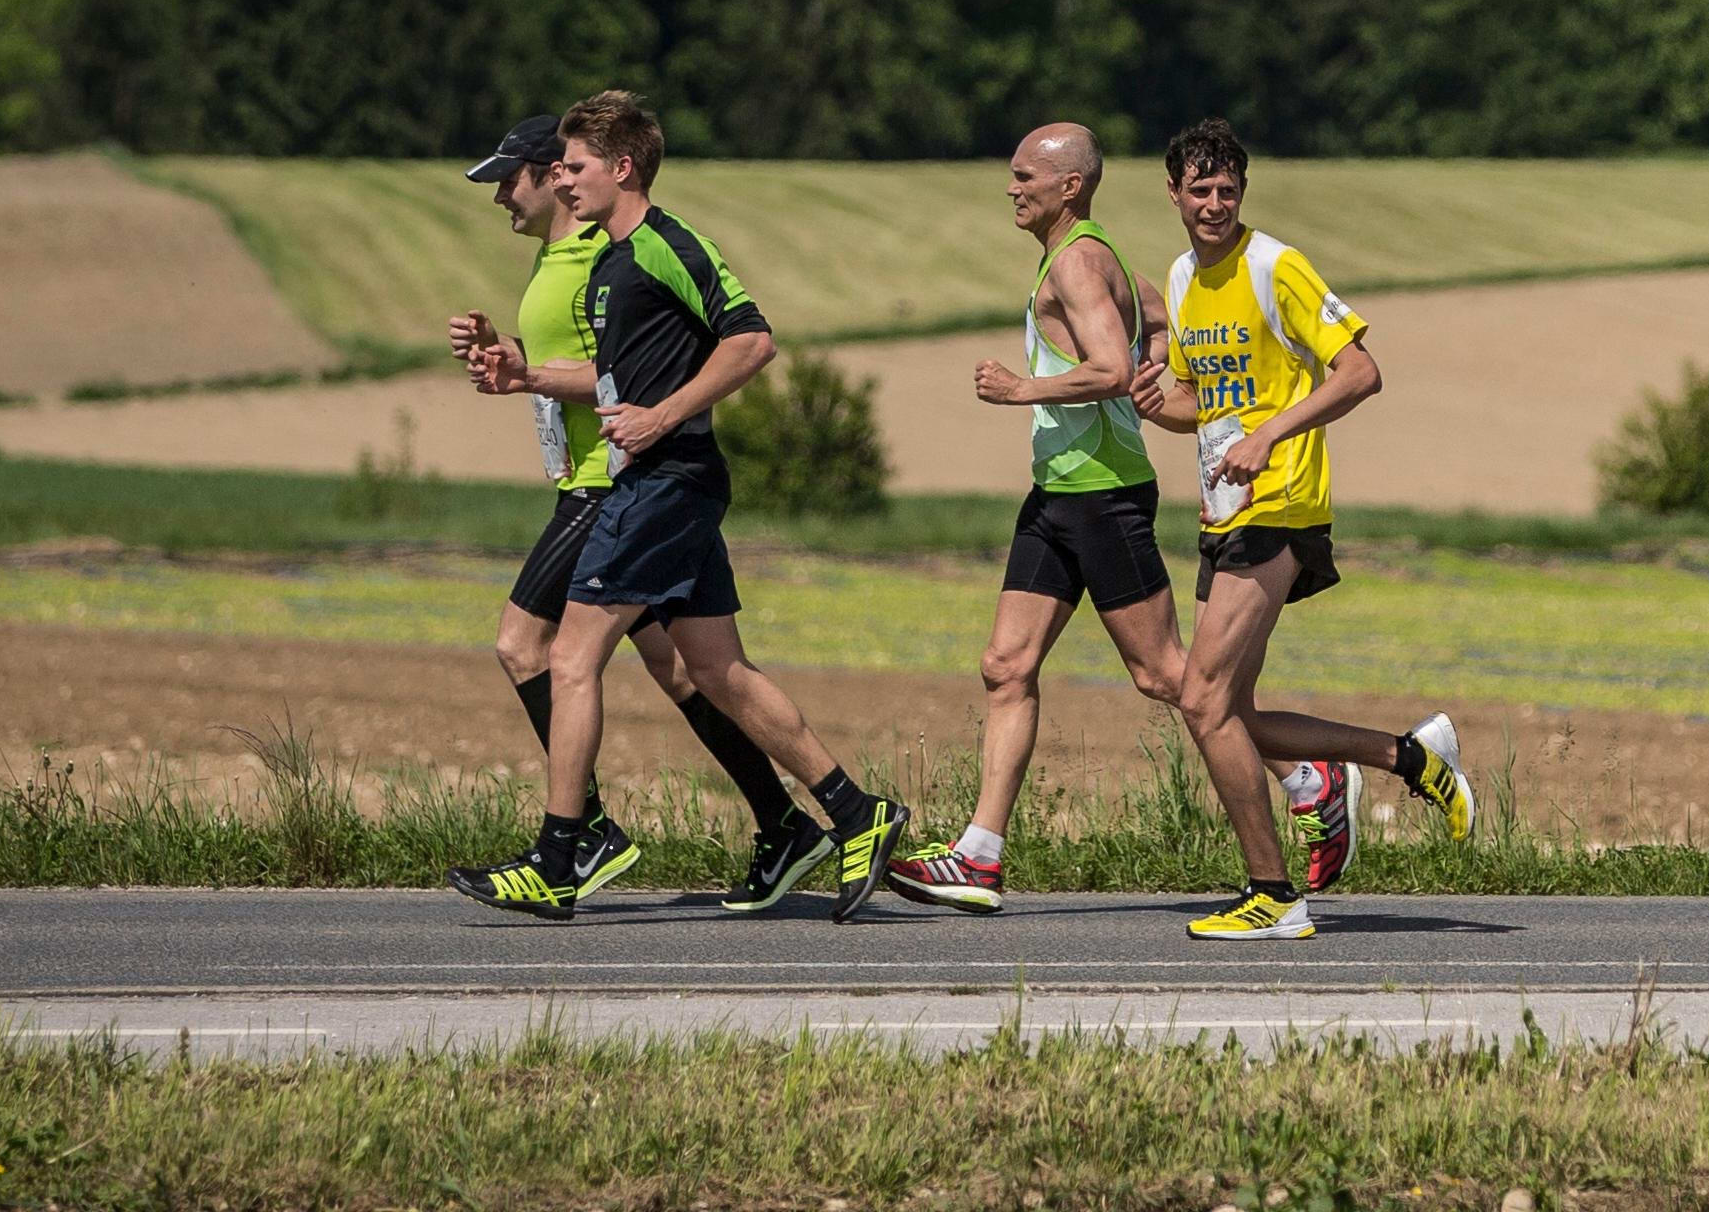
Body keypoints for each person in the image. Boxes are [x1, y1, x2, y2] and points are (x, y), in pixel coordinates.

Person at [448, 89, 909, 921]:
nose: (564, 178)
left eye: (577, 166)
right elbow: (620, 379)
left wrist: (664, 416)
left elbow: (753, 339)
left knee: (567, 658)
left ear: (622, 168)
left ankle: (562, 856)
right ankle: (852, 812)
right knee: (717, 671)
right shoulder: (613, 265)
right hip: (664, 482)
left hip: (664, 481)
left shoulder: (666, 243)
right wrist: (524, 375)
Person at [1131, 116, 1475, 939]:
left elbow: (1361, 371)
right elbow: (1198, 402)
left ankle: (1274, 897)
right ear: (1174, 193)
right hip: (1225, 511)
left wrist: (1270, 435)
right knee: (1231, 710)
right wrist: (1158, 405)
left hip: (1282, 504)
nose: (1215, 204)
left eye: (1228, 190)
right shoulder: (1181, 277)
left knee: (1202, 699)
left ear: (1242, 193)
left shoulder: (1272, 265)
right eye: (1201, 189)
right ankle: (1412, 758)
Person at [884, 118, 1189, 911]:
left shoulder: (1081, 261)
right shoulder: (1095, 256)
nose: (1012, 187)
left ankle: (1308, 776)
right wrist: (1155, 357)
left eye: (1026, 176)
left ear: (1070, 186)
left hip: (1103, 494)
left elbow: (1111, 367)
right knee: (1005, 665)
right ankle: (979, 856)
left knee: (1164, 676)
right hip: (1059, 492)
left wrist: (1025, 389)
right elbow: (1152, 321)